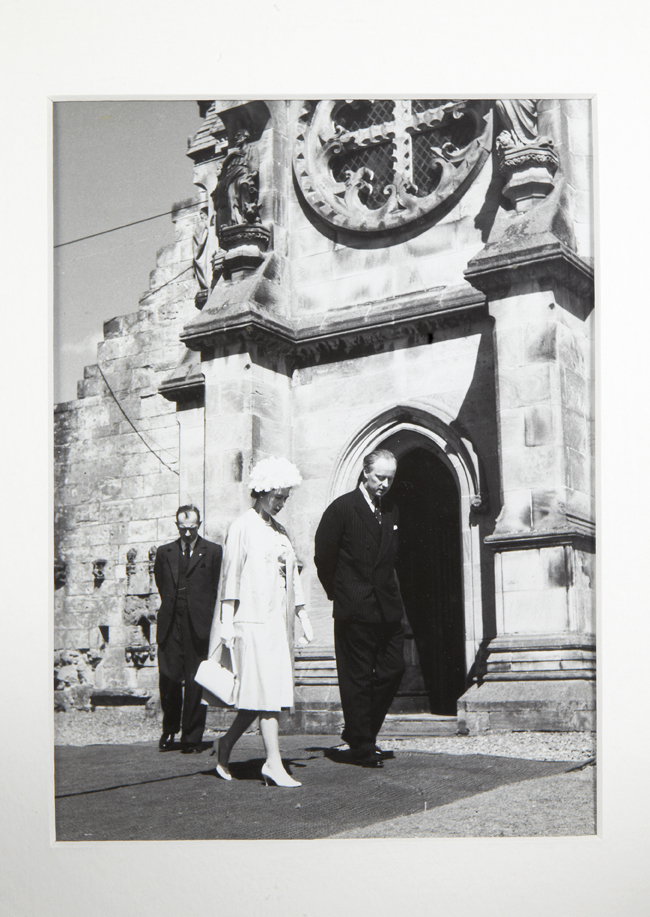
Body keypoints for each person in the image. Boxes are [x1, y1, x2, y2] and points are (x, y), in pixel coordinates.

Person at [208, 457, 313, 788]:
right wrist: (226, 621)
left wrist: (302, 614)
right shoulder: (242, 526)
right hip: (249, 621)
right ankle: (272, 762)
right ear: (263, 491)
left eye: (285, 498)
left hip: (275, 622)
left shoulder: (280, 531)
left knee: (263, 694)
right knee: (266, 694)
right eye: (277, 497)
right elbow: (231, 577)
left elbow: (292, 575)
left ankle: (225, 745)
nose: (281, 504)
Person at [314, 449, 405, 769]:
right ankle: (364, 745)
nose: (384, 484)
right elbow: (323, 558)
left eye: (390, 479)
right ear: (365, 473)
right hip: (355, 607)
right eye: (380, 477)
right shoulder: (341, 509)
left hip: (387, 607)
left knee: (395, 669)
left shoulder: (391, 510)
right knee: (357, 677)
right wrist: (341, 594)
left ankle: (357, 731)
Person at [154, 505, 222, 753]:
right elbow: (162, 585)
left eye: (192, 529)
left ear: (199, 525)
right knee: (169, 678)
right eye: (182, 529)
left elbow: (216, 589)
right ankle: (169, 729)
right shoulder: (165, 553)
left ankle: (191, 737)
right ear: (176, 526)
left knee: (196, 680)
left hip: (198, 625)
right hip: (171, 623)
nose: (187, 534)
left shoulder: (213, 552)